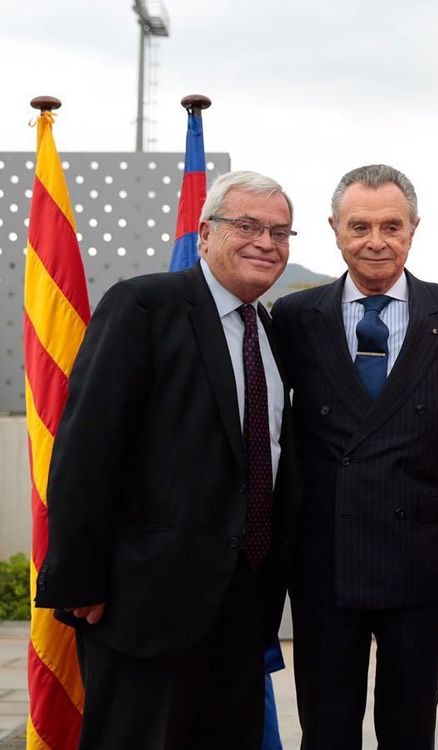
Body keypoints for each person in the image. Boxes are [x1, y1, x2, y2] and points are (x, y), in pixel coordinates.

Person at [35, 170, 299, 749]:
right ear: (204, 233)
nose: (266, 242)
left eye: (280, 232)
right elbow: (87, 447)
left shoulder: (269, 331)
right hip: (143, 605)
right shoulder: (144, 306)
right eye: (247, 226)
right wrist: (80, 579)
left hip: (242, 604)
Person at [272, 164, 438, 750]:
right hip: (324, 557)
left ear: (414, 228)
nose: (376, 241)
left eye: (391, 226)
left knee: (410, 729)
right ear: (334, 229)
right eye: (359, 226)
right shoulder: (294, 318)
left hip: (421, 555)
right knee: (326, 729)